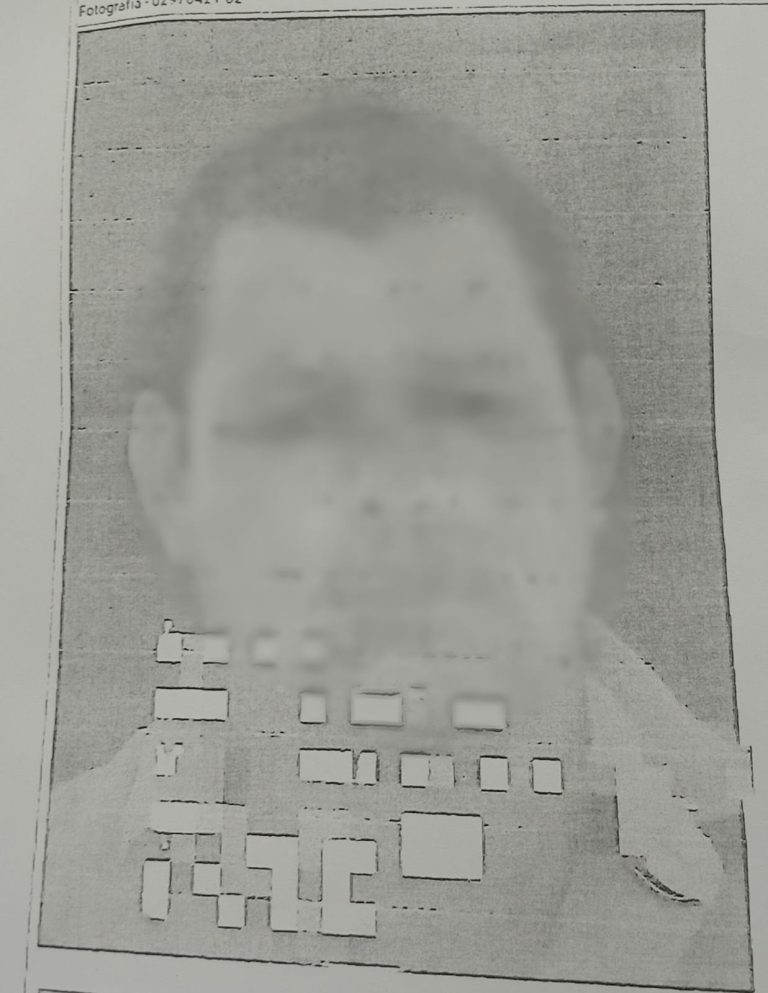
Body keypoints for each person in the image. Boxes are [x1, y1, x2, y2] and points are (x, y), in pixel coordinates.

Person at [42, 100, 751, 985]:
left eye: (473, 405)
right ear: (169, 474)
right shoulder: (42, 884)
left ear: (593, 433)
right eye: (299, 418)